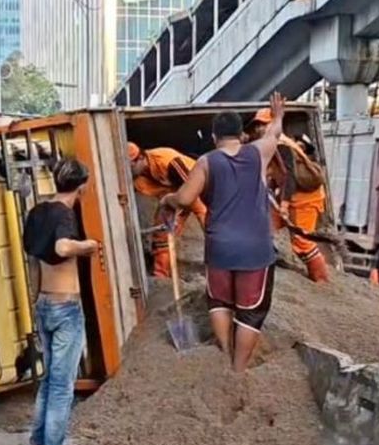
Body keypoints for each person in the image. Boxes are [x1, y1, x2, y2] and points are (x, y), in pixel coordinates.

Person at [162, 92, 286, 372]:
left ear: (214, 136)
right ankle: (237, 369)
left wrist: (166, 200)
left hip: (219, 248)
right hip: (255, 250)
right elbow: (274, 133)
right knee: (250, 313)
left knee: (219, 301)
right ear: (242, 134)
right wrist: (278, 116)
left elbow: (183, 199)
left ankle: (223, 352)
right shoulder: (259, 152)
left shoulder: (207, 161)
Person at [21, 158, 99, 445]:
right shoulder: (64, 214)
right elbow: (64, 248)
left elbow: (32, 257)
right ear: (82, 186)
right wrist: (89, 245)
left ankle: (37, 442)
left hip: (44, 303)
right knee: (62, 384)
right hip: (66, 307)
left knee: (49, 378)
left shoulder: (37, 212)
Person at [245, 110, 330, 282]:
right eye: (256, 126)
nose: (258, 130)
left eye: (262, 125)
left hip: (305, 199)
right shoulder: (272, 144)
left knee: (302, 242)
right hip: (289, 196)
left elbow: (288, 176)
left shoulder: (281, 144)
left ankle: (321, 280)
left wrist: (283, 205)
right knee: (262, 226)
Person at [127, 143, 208, 278]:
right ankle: (161, 277)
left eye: (130, 166)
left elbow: (190, 187)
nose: (128, 171)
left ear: (140, 158)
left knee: (205, 217)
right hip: (174, 195)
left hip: (195, 187)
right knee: (161, 233)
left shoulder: (166, 161)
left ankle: (223, 258)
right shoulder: (139, 177)